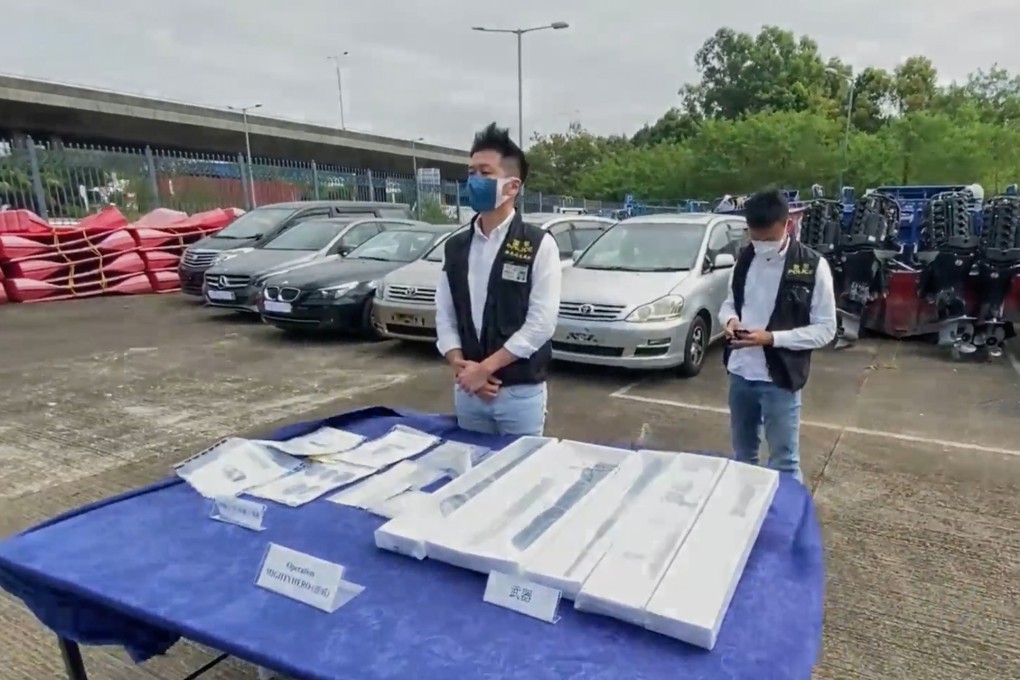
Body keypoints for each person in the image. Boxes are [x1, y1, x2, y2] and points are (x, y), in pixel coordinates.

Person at [434, 122, 561, 435]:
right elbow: (445, 314)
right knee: (470, 474)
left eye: (485, 172)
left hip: (519, 395)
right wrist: (461, 366)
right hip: (468, 392)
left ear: (512, 186)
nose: (474, 180)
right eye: (471, 172)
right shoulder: (456, 247)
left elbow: (541, 323)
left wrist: (486, 369)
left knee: (521, 477)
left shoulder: (537, 244)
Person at [719, 188, 837, 482]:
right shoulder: (745, 258)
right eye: (755, 238)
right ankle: (742, 513)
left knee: (784, 463)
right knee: (743, 456)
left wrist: (772, 339)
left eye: (768, 239)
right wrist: (730, 320)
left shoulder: (812, 267)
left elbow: (825, 329)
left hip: (780, 379)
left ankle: (784, 525)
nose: (761, 245)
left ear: (788, 225)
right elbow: (730, 302)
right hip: (741, 374)